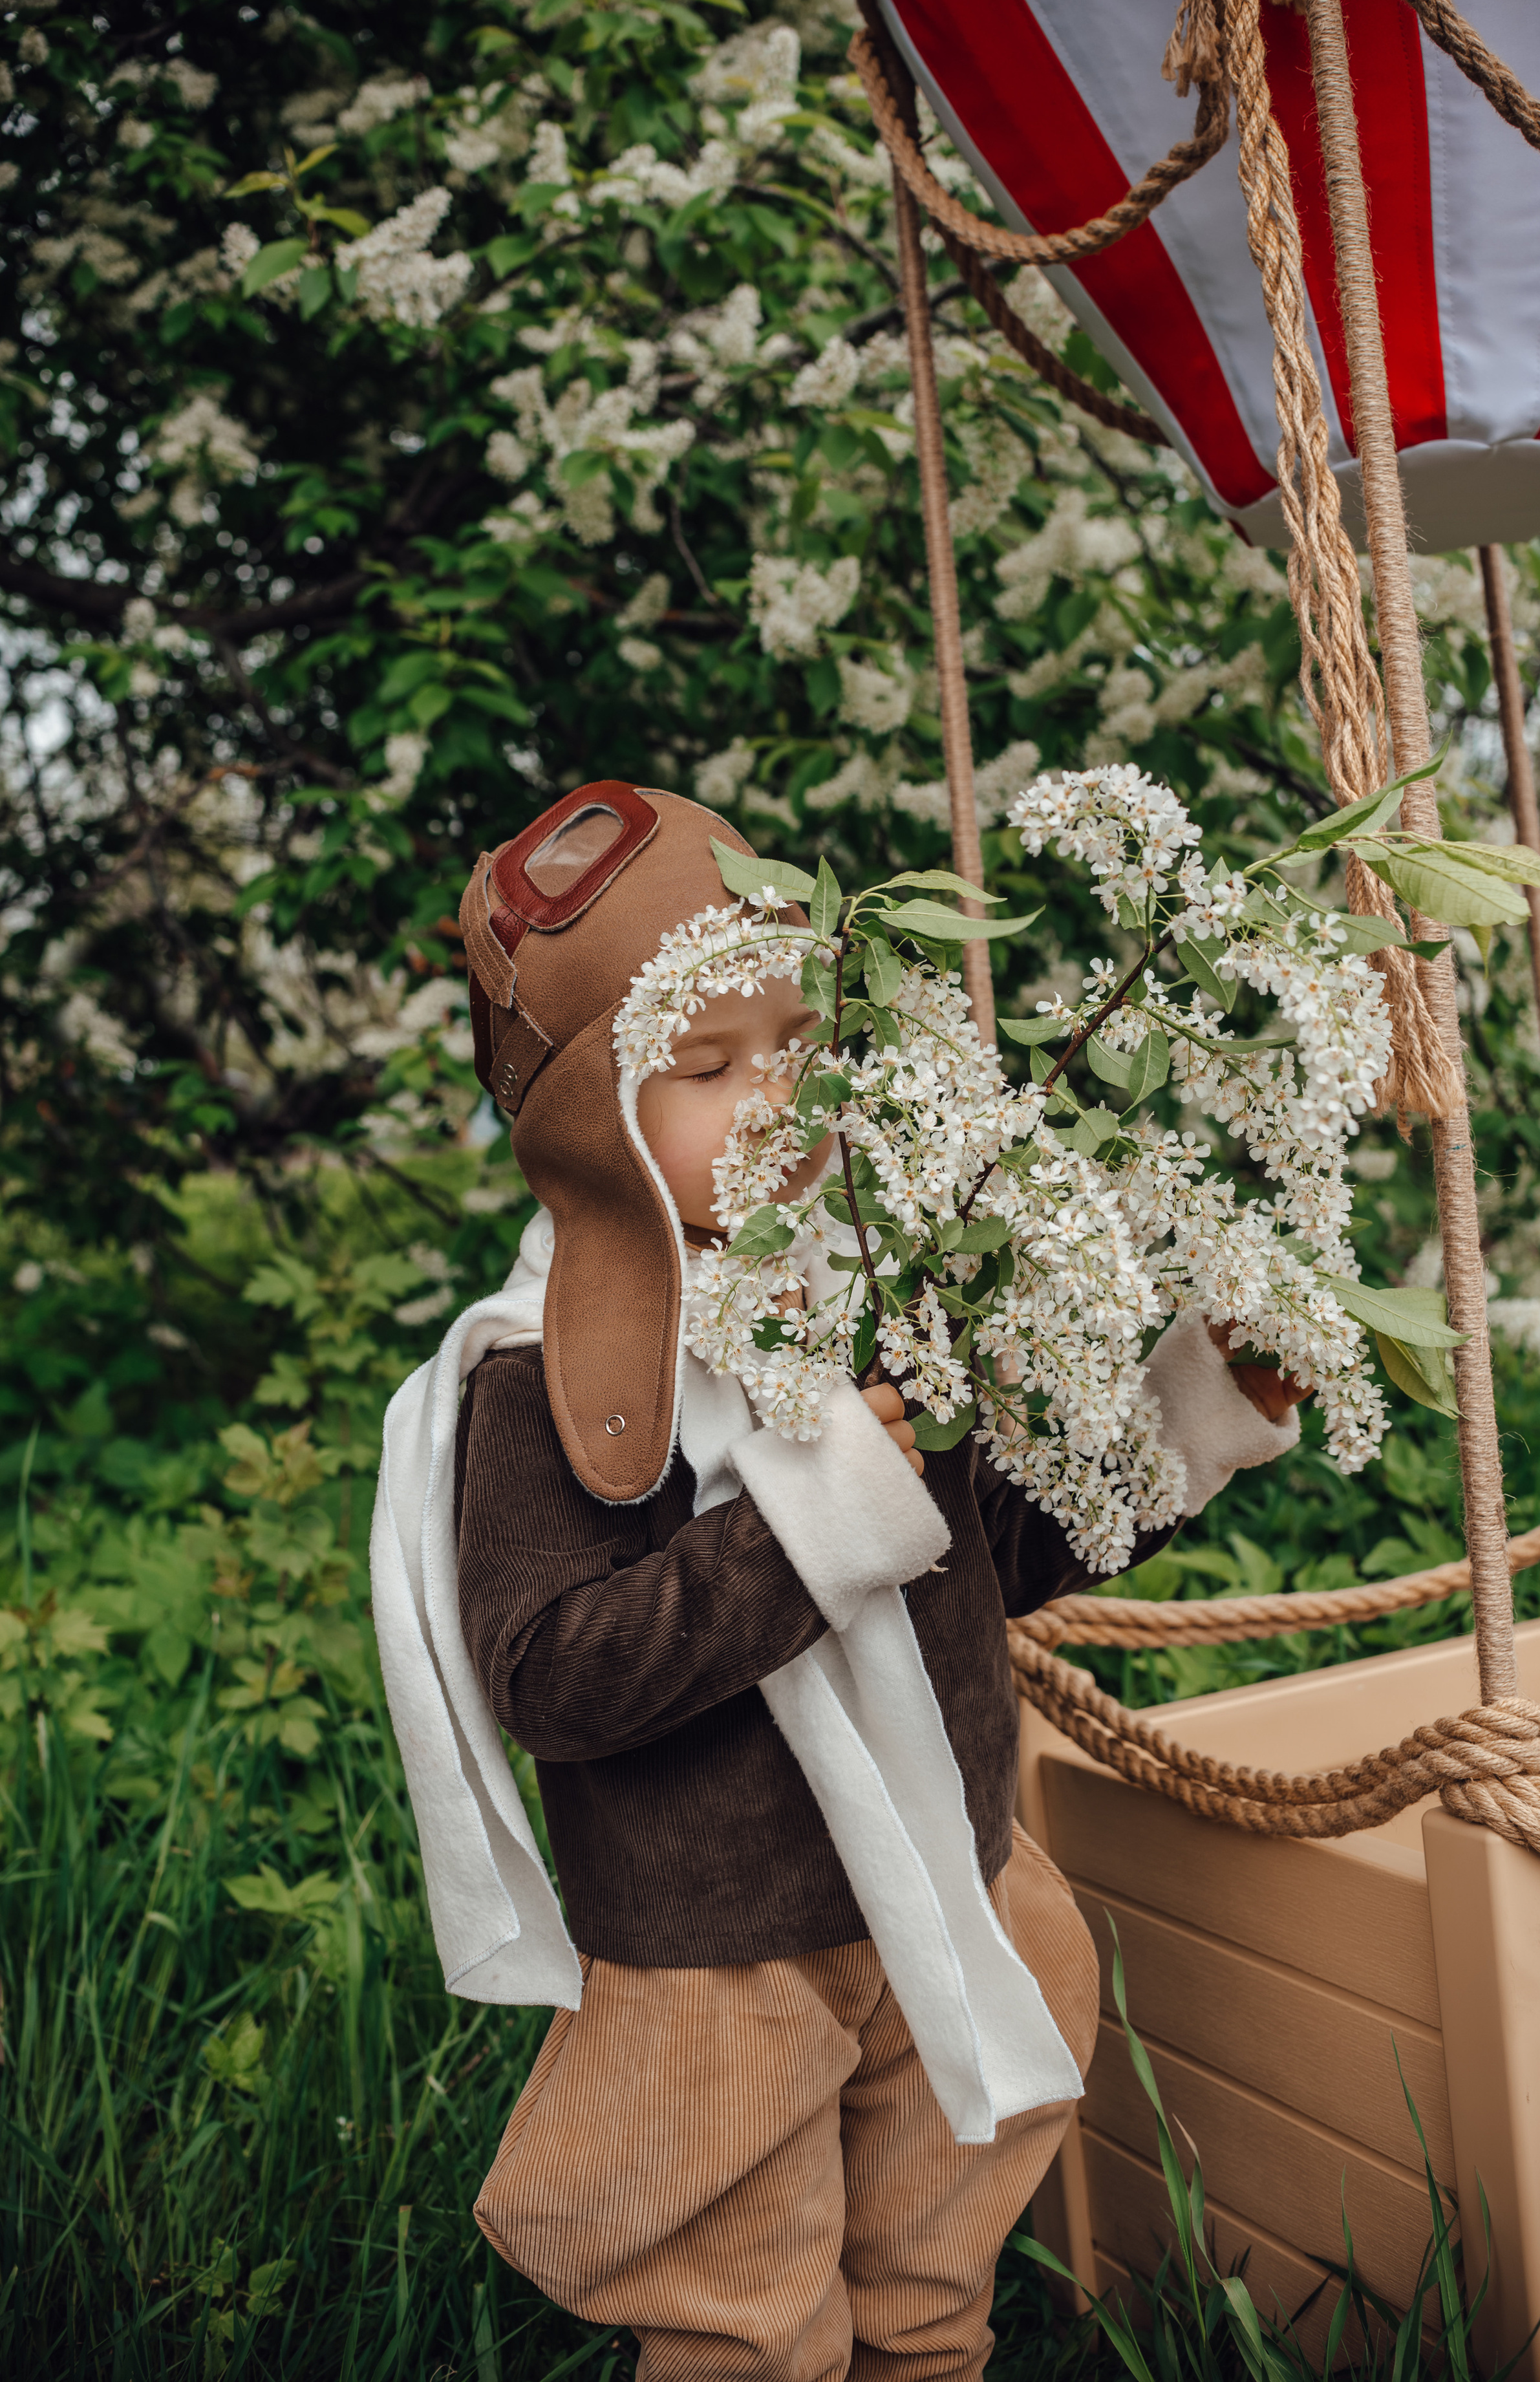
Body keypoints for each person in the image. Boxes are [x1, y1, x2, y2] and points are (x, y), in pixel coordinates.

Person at [402, 780, 1308, 2382]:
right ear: (579, 1117)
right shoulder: (542, 1383)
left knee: (926, 2291)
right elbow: (554, 1675)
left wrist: (1186, 1414)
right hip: (718, 1962)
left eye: (795, 1045)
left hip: (943, 1891)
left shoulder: (878, 1296)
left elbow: (988, 1559)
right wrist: (798, 1534)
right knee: (745, 2331)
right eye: (701, 1065)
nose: (772, 1096)